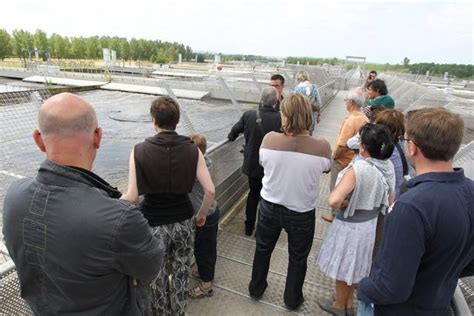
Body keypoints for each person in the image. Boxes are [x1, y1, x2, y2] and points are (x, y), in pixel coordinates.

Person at [2, 93, 164, 315]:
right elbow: (151, 267)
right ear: (98, 137)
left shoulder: (13, 196)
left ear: (38, 140)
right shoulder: (120, 218)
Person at [358, 107, 474, 316]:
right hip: (436, 304)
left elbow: (391, 288)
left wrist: (364, 287)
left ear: (412, 148)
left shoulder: (412, 207)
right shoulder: (470, 191)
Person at [124, 96, 215, 315]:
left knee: (157, 278)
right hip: (183, 221)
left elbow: (132, 196)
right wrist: (200, 215)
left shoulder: (139, 150)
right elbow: (210, 190)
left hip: (153, 225)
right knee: (181, 274)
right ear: (177, 120)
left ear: (153, 119)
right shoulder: (193, 150)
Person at [248, 93, 332, 311]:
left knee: (263, 249)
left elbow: (263, 162)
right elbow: (326, 167)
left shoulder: (269, 140)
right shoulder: (322, 146)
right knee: (298, 258)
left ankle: (256, 288)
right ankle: (292, 298)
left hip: (269, 206)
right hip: (302, 211)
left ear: (286, 116)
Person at [316, 123, 395, 316]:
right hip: (369, 225)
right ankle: (348, 303)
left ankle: (339, 306)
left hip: (350, 226)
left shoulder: (359, 168)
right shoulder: (388, 166)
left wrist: (342, 202)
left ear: (364, 147)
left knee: (344, 265)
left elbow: (333, 200)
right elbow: (391, 199)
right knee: (356, 266)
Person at [228, 86, 282, 236]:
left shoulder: (249, 115)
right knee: (268, 197)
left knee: (253, 194)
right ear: (276, 101)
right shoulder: (281, 118)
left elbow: (233, 133)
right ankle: (262, 228)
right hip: (273, 166)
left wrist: (231, 138)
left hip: (253, 165)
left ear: (261, 99)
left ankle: (248, 226)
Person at [322, 89, 369, 222]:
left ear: (351, 102)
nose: (345, 103)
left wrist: (334, 157)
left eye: (346, 100)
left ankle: (334, 215)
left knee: (335, 188)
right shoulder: (364, 118)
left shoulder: (350, 121)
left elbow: (343, 145)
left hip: (343, 161)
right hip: (355, 160)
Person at [187, 133, 220, 299]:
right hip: (212, 212)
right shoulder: (208, 161)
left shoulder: (193, 169)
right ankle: (202, 272)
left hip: (205, 216)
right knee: (206, 248)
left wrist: (201, 215)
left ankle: (206, 286)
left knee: (204, 251)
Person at [294, 71, 322, 135]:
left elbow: (294, 104)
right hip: (311, 116)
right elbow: (319, 103)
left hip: (300, 116)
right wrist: (318, 116)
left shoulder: (297, 88)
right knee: (309, 135)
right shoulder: (314, 87)